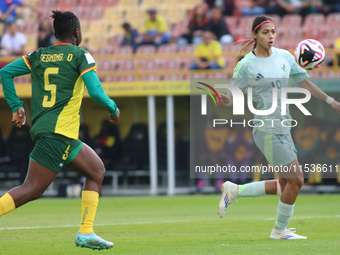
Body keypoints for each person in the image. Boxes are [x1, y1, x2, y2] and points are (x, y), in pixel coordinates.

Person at [0, 10, 120, 250]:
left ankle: (86, 232)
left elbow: (5, 72)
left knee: (96, 170)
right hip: (58, 133)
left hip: (59, 134)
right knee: (32, 189)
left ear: (56, 33)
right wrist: (113, 108)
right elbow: (95, 92)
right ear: (77, 32)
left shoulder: (39, 55)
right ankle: (85, 231)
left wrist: (16, 106)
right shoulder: (80, 55)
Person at [217, 15, 340, 240]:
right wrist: (225, 99)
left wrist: (331, 102)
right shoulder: (246, 65)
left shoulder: (285, 56)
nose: (271, 36)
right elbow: (233, 96)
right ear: (255, 34)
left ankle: (235, 190)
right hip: (267, 128)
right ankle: (279, 231)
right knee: (297, 180)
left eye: (273, 32)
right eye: (265, 32)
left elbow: (304, 82)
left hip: (283, 127)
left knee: (286, 183)